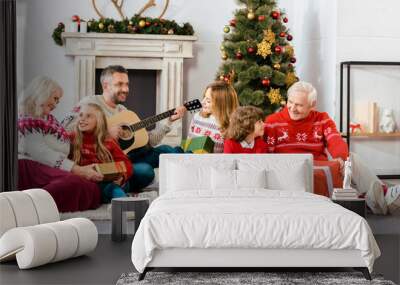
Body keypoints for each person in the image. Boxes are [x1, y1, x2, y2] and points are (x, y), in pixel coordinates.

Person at [264, 81, 398, 215]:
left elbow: (335, 139)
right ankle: (381, 198)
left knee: (351, 158)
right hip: (291, 166)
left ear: (312, 105)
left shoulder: (322, 118)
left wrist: (340, 157)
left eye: (299, 105)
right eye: (290, 102)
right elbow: (267, 154)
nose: (292, 108)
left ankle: (380, 196)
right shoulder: (272, 121)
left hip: (319, 163)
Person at [62, 65, 186, 192]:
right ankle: (113, 185)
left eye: (127, 84)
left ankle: (189, 171)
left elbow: (149, 141)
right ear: (106, 86)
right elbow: (65, 130)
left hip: (128, 157)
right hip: (106, 162)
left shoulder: (124, 111)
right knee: (146, 171)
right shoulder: (89, 103)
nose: (125, 89)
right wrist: (104, 132)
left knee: (167, 150)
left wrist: (168, 123)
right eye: (119, 84)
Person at [18, 76, 103, 212]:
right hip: (30, 167)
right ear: (42, 93)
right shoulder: (26, 116)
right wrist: (78, 169)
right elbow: (40, 152)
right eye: (55, 98)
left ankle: (36, 203)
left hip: (49, 168)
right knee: (75, 183)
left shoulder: (49, 119)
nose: (56, 104)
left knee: (90, 186)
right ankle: (27, 207)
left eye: (58, 100)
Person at [69, 103, 133, 202]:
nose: (82, 119)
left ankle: (125, 204)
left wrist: (122, 178)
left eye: (88, 116)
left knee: (115, 187)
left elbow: (126, 164)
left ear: (99, 121)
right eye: (80, 115)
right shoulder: (71, 138)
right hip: (86, 183)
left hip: (107, 181)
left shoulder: (108, 141)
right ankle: (122, 200)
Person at [188, 81, 239, 153]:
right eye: (204, 97)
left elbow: (229, 154)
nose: (202, 102)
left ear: (221, 104)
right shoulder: (197, 117)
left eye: (208, 101)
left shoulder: (231, 125)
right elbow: (188, 142)